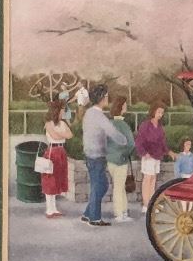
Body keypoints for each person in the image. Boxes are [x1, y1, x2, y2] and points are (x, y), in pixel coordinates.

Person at [77, 88, 116, 226]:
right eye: (106, 96)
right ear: (101, 98)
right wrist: (125, 141)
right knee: (99, 185)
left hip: (91, 155)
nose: (108, 98)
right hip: (96, 156)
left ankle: (88, 214)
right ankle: (95, 218)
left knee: (101, 185)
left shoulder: (89, 113)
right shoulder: (98, 115)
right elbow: (112, 132)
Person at [105, 97, 135, 223]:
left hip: (110, 160)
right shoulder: (123, 125)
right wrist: (125, 154)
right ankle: (120, 214)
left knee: (119, 187)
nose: (126, 106)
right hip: (121, 160)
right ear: (121, 107)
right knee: (119, 188)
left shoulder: (109, 124)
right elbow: (131, 144)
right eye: (125, 105)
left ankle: (123, 212)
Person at [39, 99, 72, 218]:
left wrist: (60, 134)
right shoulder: (48, 123)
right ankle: (49, 209)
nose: (63, 112)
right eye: (62, 110)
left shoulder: (62, 123)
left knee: (57, 179)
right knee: (50, 180)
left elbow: (70, 135)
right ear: (56, 111)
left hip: (61, 152)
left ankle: (54, 208)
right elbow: (55, 136)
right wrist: (62, 134)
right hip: (52, 153)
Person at [136, 102, 170, 211]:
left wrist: (169, 152)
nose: (160, 115)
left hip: (157, 156)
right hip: (148, 156)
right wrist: (144, 153)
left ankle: (151, 203)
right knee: (147, 179)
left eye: (162, 113)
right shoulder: (145, 125)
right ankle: (146, 205)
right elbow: (139, 141)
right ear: (153, 111)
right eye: (159, 112)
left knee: (153, 179)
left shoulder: (159, 127)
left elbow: (163, 142)